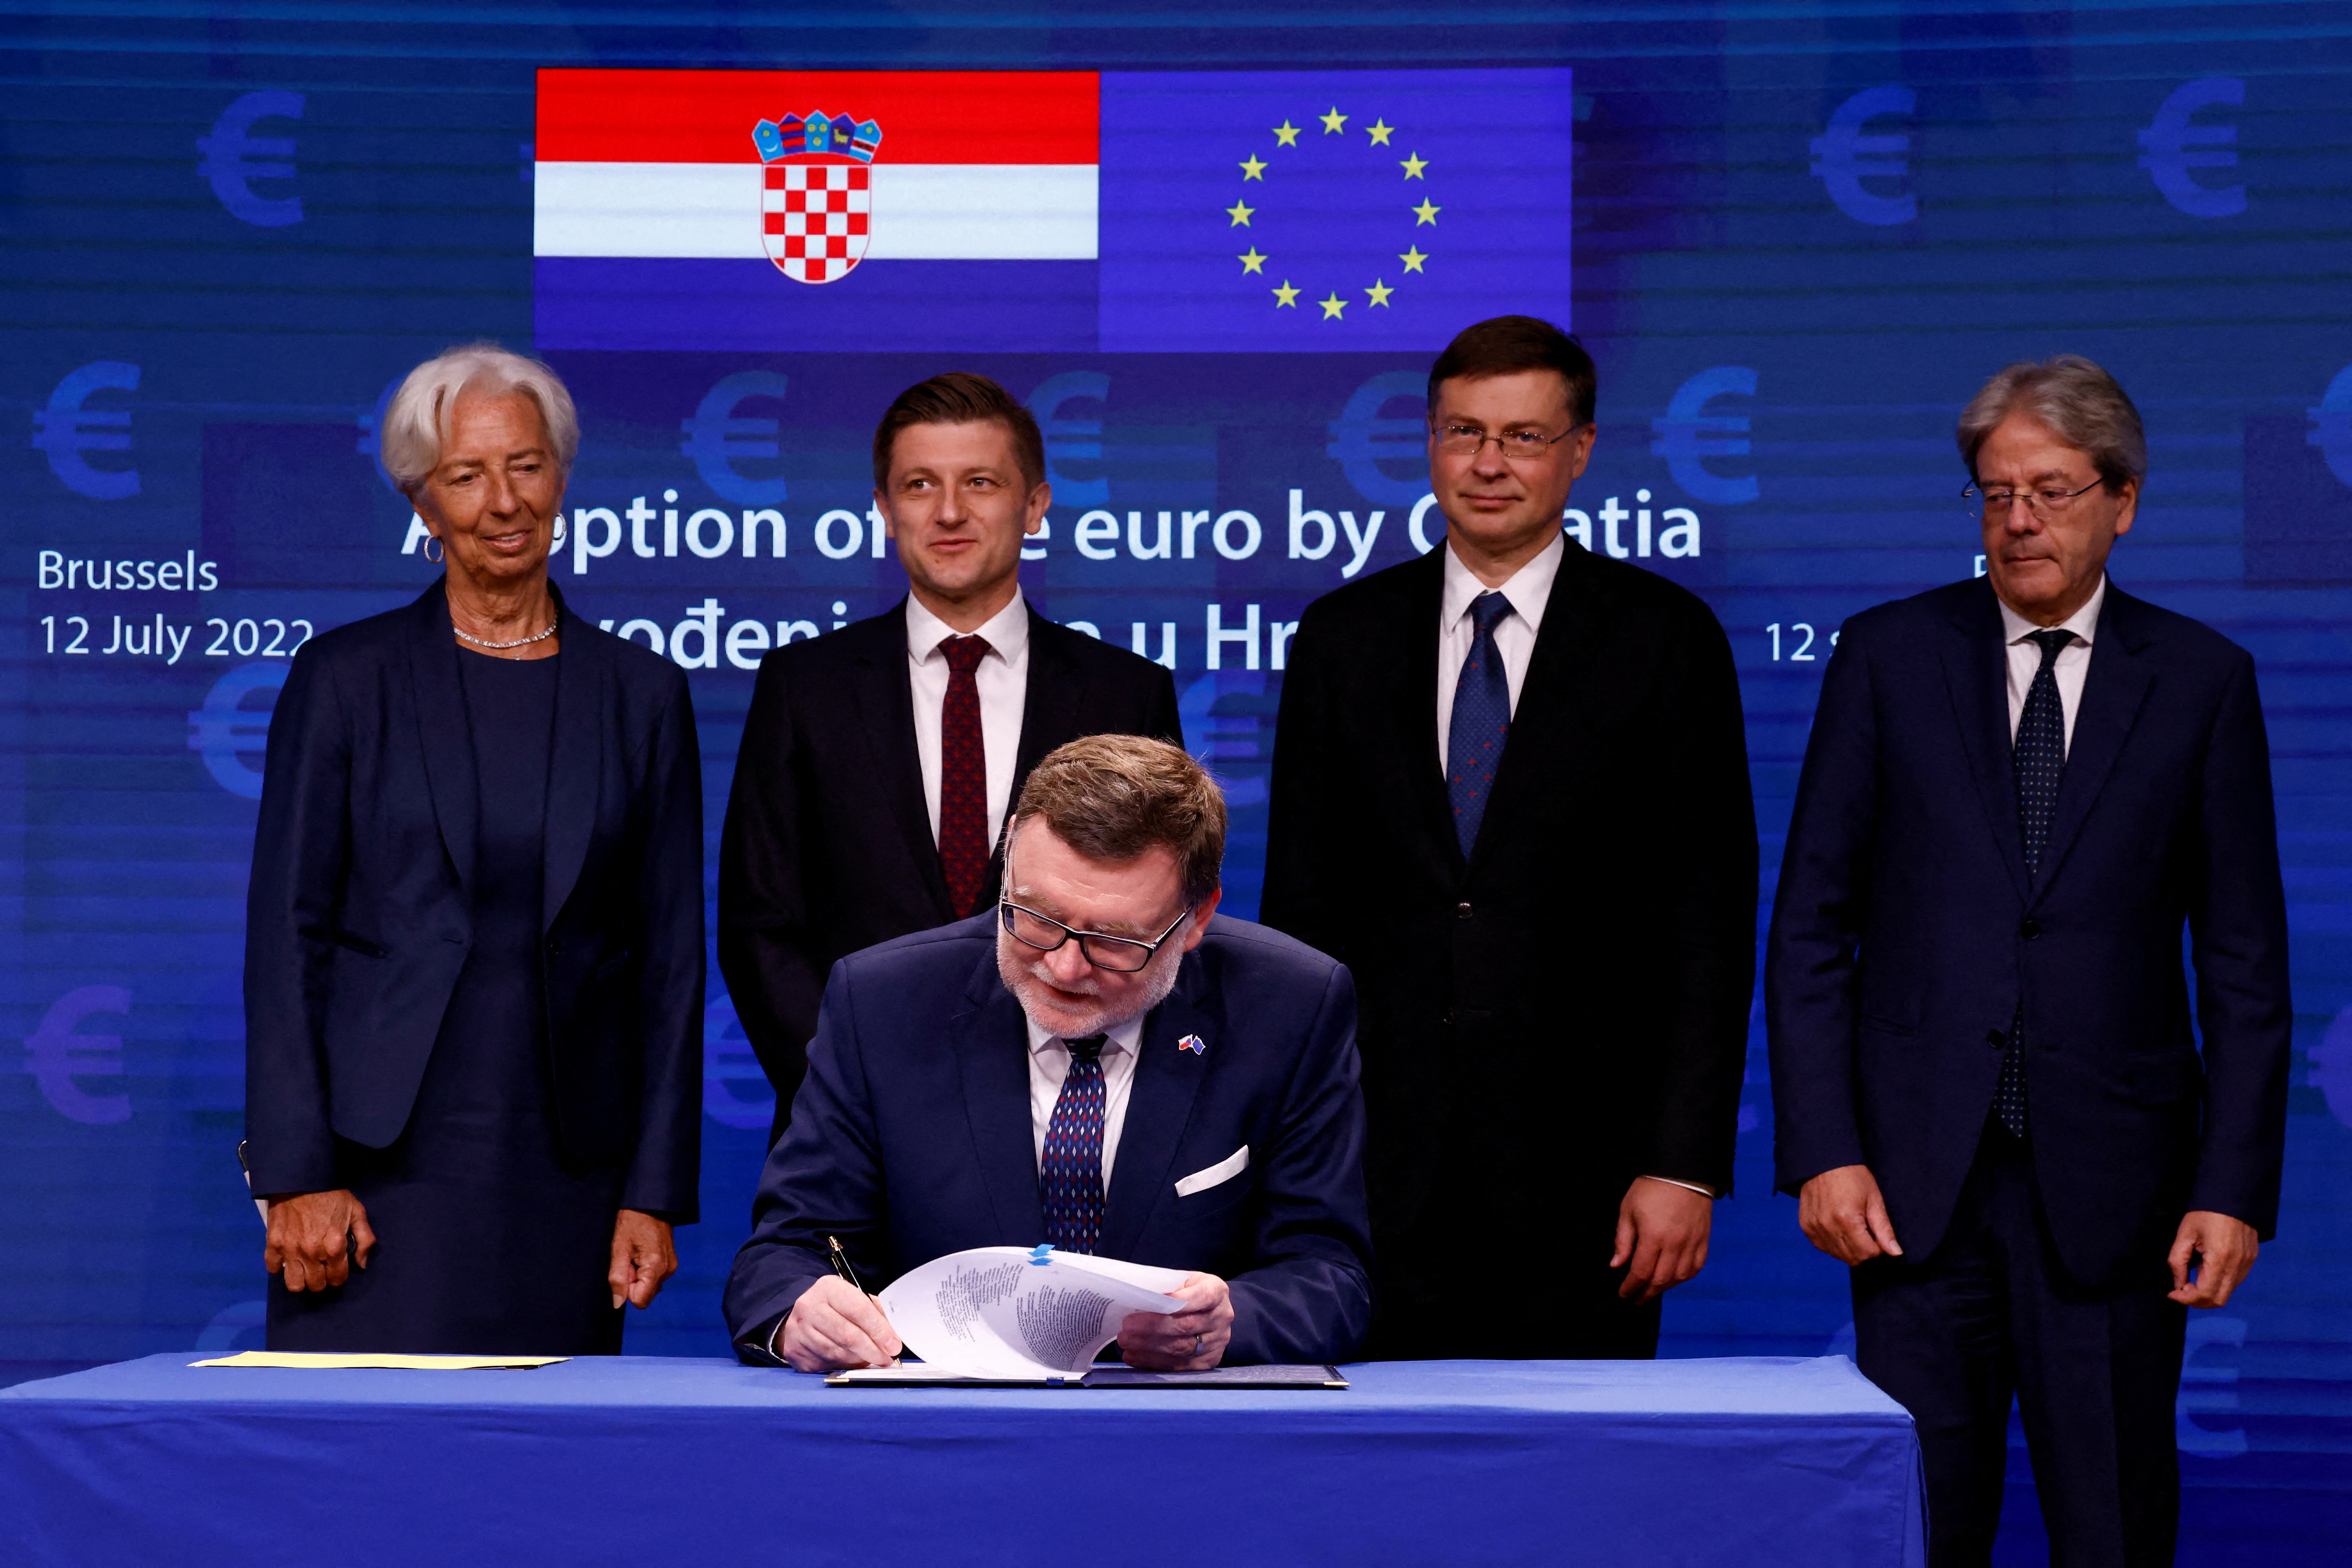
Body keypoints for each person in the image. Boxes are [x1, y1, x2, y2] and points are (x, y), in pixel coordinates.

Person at [1767, 355, 2290, 1566]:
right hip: (1908, 1195)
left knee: (2109, 1529)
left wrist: (2229, 1189)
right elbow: (1809, 927)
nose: (2016, 522)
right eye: (1993, 494)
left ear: (2122, 500)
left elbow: (2243, 964)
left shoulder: (2202, 683)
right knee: (1912, 1528)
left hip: (2117, 1196)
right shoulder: (1884, 659)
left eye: (2049, 492)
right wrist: (1825, 1151)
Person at [1260, 315, 1757, 1361]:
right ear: (1431, 443)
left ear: (1580, 451)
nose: (1489, 463)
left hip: (1593, 1183)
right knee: (1368, 1496)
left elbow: (1707, 926)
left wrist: (1683, 1164)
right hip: (1370, 1174)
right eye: (1463, 432)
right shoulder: (1340, 640)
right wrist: (1289, 1157)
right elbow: (1300, 919)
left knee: (1573, 1505)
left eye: (1524, 437)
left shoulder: (1666, 641)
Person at [243, 343, 704, 1355]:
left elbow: (671, 965)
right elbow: (287, 935)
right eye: (466, 475)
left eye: (526, 466)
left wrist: (654, 1191)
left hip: (567, 1182)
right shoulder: (344, 680)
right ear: (423, 496)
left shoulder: (642, 696)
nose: (504, 501)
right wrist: (294, 1169)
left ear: (563, 476)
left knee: (539, 1489)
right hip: (366, 1178)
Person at [724, 735, 1370, 1371]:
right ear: (1009, 858)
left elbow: (1332, 1277)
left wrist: (1234, 1320)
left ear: (1197, 918)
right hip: (943, 1432)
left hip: (1175, 1437)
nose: (1063, 966)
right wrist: (800, 1310)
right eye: (1036, 917)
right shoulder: (883, 1003)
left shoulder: (1290, 1007)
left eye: (1115, 941)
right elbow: (786, 1253)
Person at [720, 372, 1183, 1129]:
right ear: (884, 508)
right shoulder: (804, 688)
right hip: (848, 1128)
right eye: (919, 485)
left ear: (1034, 504)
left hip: (1073, 1116)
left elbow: (1153, 916)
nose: (948, 512)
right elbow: (759, 924)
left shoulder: (1123, 695)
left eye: (979, 482)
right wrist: (850, 1089)